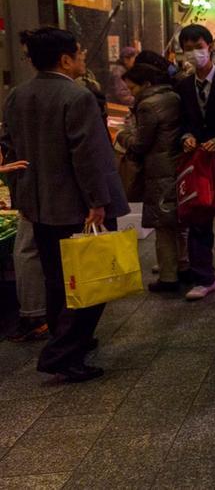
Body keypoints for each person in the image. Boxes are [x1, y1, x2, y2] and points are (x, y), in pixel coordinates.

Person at [1, 27, 129, 382]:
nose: (84, 58)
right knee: (91, 280)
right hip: (77, 206)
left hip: (40, 205)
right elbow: (85, 154)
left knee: (58, 280)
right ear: (65, 59)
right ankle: (63, 352)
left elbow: (9, 148)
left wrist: (22, 192)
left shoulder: (17, 95)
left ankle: (69, 338)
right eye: (80, 53)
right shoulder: (77, 96)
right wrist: (97, 201)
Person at [176, 24, 215, 300]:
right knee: (198, 218)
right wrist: (186, 136)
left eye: (197, 47)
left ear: (209, 46)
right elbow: (182, 122)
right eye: (187, 49)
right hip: (198, 163)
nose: (193, 53)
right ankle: (204, 277)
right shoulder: (183, 85)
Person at [117, 59, 183, 293]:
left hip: (158, 170)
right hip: (175, 165)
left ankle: (168, 276)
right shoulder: (172, 96)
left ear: (146, 83)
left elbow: (140, 143)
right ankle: (182, 265)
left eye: (133, 88)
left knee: (162, 224)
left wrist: (122, 135)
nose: (131, 93)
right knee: (176, 222)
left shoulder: (148, 106)